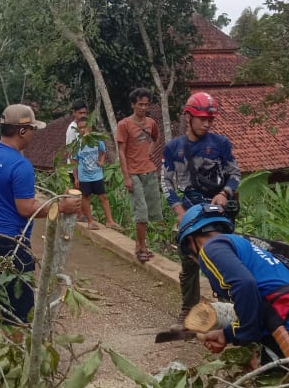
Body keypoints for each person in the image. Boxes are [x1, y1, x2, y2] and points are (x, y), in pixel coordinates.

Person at [176, 203, 289, 365]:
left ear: (190, 240)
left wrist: (244, 333)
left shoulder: (210, 248)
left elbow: (245, 285)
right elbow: (261, 296)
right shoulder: (245, 247)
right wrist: (227, 335)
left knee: (275, 384)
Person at [0, 104, 81, 323]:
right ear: (22, 131)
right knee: (18, 311)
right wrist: (62, 207)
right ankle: (18, 351)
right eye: (32, 129)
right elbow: (25, 208)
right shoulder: (21, 165)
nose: (33, 134)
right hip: (11, 245)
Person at [163, 91, 242, 325]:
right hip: (189, 212)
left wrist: (224, 193)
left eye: (210, 120)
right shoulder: (173, 148)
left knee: (224, 262)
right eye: (202, 119)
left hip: (217, 214)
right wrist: (178, 210)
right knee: (189, 265)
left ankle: (229, 313)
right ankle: (188, 311)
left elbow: (234, 173)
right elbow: (166, 180)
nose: (207, 124)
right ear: (189, 117)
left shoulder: (221, 144)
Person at [116, 88, 162, 263]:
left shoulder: (151, 123)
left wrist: (150, 151)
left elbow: (156, 138)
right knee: (141, 212)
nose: (143, 107)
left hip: (149, 171)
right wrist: (126, 176)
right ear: (133, 104)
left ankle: (143, 244)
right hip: (133, 172)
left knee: (151, 212)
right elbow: (121, 151)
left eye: (146, 104)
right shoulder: (124, 125)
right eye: (140, 104)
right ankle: (139, 247)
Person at [71, 117, 118, 231]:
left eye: (84, 127)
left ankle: (110, 221)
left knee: (103, 196)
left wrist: (101, 160)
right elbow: (74, 162)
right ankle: (90, 221)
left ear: (90, 128)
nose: (82, 130)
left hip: (97, 174)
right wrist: (76, 178)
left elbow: (103, 152)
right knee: (85, 197)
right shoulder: (77, 144)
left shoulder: (98, 141)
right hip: (84, 176)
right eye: (80, 128)